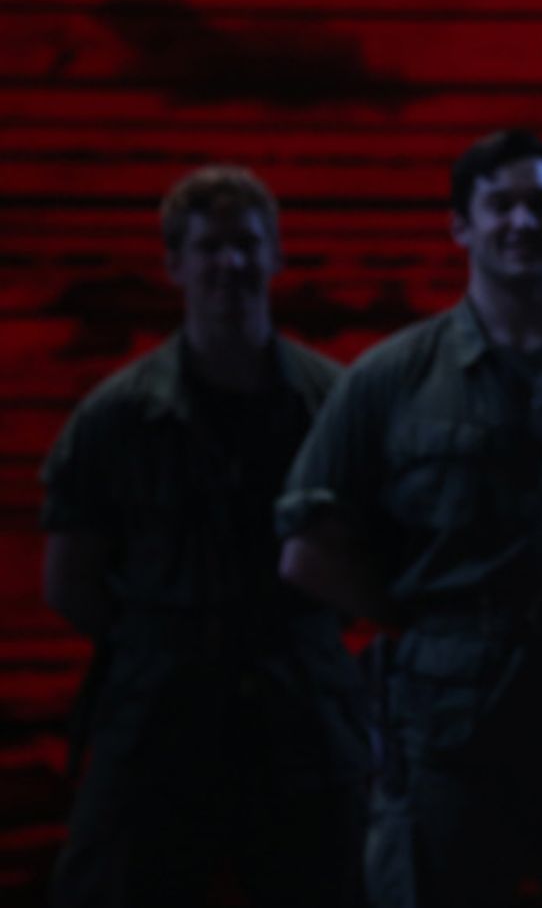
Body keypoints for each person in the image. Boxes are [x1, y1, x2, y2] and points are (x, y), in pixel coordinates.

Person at [277, 130, 542, 908]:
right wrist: (417, 617)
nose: (522, 221)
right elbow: (306, 545)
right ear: (461, 225)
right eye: (500, 204)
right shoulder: (395, 377)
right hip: (444, 720)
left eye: (539, 203)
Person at [42, 165, 369, 908]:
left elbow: (369, 553)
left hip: (302, 716)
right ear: (176, 263)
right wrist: (165, 636)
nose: (231, 263)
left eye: (247, 243)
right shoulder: (116, 417)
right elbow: (68, 582)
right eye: (211, 245)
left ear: (275, 255)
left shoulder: (331, 401)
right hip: (159, 719)